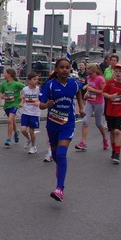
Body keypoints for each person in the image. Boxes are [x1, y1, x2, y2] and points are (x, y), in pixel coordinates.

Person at [39, 58, 84, 201]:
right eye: (62, 67)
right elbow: (41, 104)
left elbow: (78, 93)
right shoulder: (50, 85)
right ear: (56, 69)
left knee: (61, 153)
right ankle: (60, 171)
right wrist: (48, 105)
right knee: (55, 155)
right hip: (53, 124)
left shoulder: (73, 84)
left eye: (67, 67)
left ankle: (59, 189)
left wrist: (81, 107)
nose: (65, 70)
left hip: (67, 124)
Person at [75, 64, 107, 151]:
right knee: (85, 121)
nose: (89, 75)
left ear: (95, 71)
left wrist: (93, 90)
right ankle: (83, 142)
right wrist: (86, 93)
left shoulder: (100, 79)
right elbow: (89, 87)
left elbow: (104, 92)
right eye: (88, 73)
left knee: (98, 123)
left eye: (91, 73)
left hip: (99, 103)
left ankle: (105, 139)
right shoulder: (88, 78)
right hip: (89, 102)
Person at [0, 68, 24, 147]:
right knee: (11, 121)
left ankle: (8, 139)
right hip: (7, 105)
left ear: (9, 74)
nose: (4, 74)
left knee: (9, 120)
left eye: (5, 73)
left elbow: (26, 89)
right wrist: (1, 95)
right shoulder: (4, 84)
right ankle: (16, 132)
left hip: (15, 105)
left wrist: (22, 98)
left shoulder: (16, 84)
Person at [19, 72, 42, 154]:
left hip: (35, 113)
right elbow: (23, 97)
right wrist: (21, 102)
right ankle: (28, 138)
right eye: (34, 79)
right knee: (23, 130)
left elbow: (42, 99)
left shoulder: (38, 89)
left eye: (37, 79)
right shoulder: (25, 89)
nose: (36, 81)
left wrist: (39, 102)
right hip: (26, 112)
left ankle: (33, 146)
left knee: (32, 131)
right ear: (29, 81)